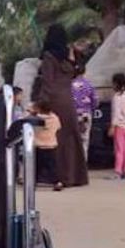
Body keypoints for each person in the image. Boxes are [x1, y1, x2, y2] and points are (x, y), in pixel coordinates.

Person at [34, 24, 89, 189]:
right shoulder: (69, 56)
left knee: (55, 138)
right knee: (71, 137)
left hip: (55, 101)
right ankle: (75, 176)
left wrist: (40, 104)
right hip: (68, 100)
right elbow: (76, 72)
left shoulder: (49, 57)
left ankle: (59, 177)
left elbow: (47, 82)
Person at [30, 100, 63, 190]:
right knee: (52, 166)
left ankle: (33, 182)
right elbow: (59, 127)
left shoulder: (35, 119)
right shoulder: (55, 118)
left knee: (36, 165)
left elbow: (30, 128)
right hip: (51, 144)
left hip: (38, 145)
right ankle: (57, 182)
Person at [71, 63, 98, 161]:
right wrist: (91, 109)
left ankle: (73, 164)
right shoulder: (89, 85)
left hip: (73, 115)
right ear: (84, 71)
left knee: (73, 141)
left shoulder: (69, 85)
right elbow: (95, 101)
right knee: (84, 140)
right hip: (86, 115)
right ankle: (82, 164)